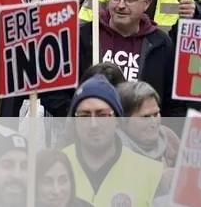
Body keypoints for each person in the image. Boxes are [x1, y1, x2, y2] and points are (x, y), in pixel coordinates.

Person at [79, 0, 181, 116]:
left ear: (146, 4)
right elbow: (59, 94)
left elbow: (174, 103)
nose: (121, 5)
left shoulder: (161, 44)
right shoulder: (85, 36)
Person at [62, 75, 163, 206]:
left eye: (102, 115)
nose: (94, 124)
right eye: (84, 115)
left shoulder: (152, 173)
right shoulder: (57, 164)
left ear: (117, 120)